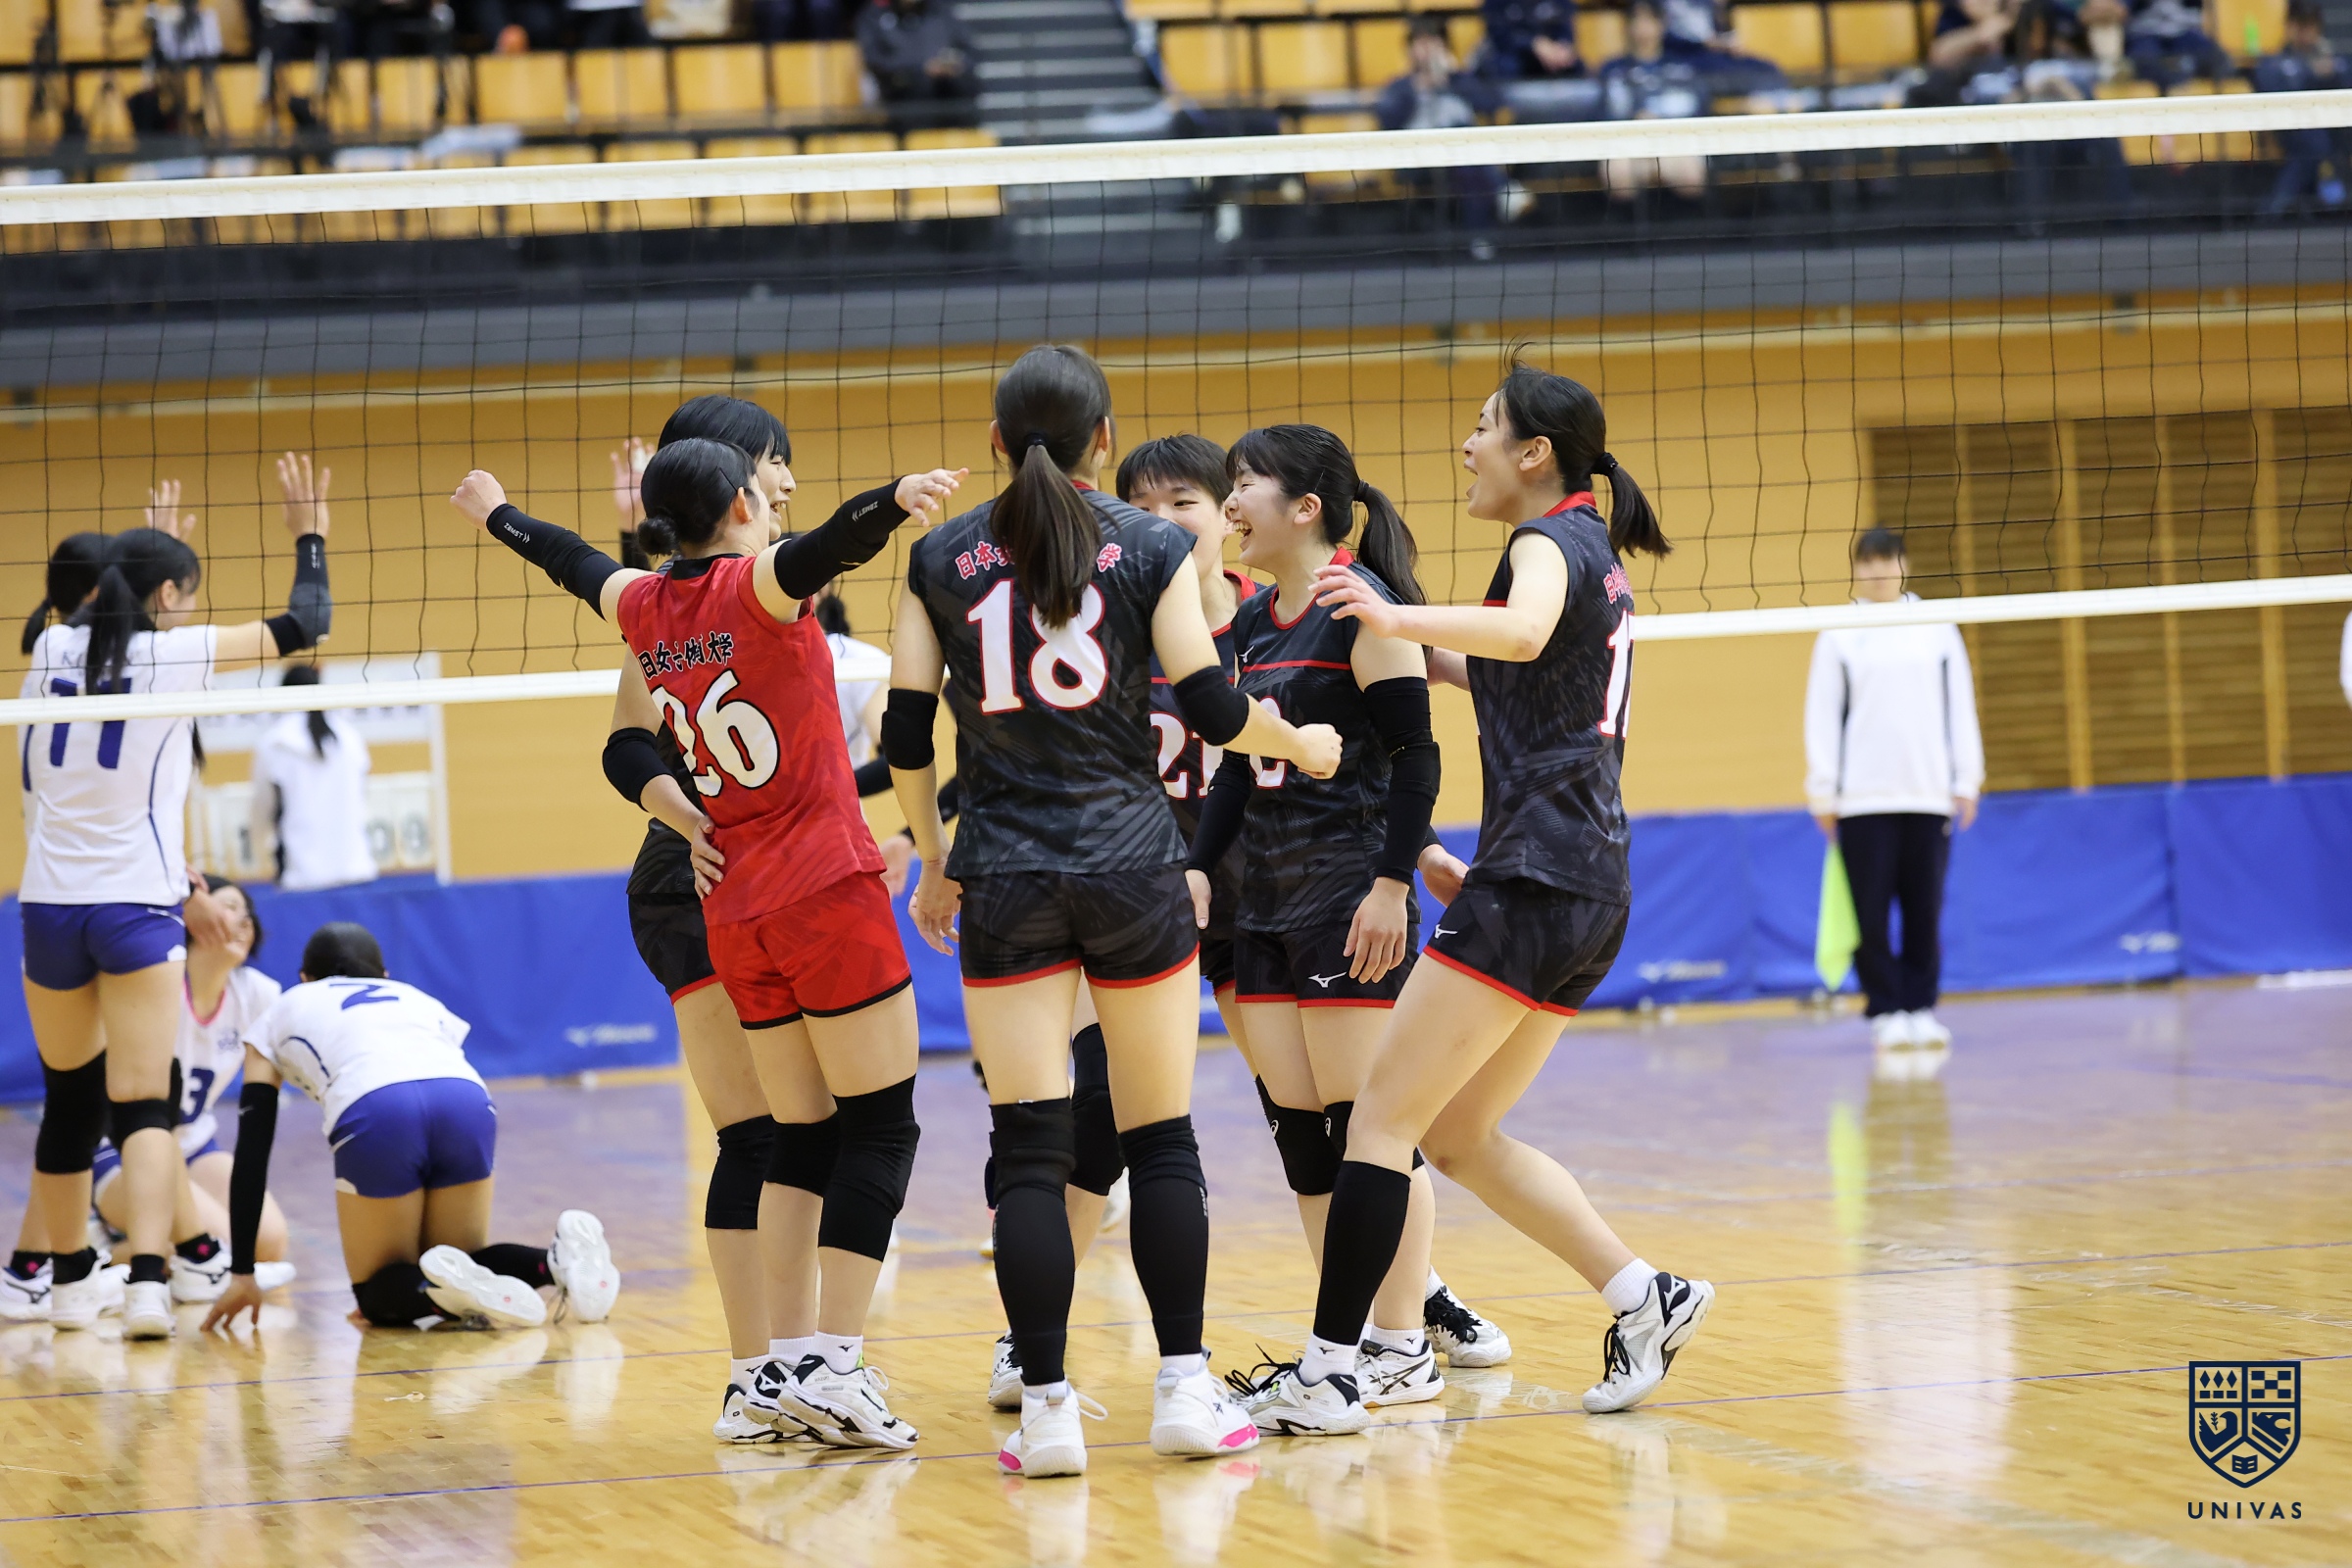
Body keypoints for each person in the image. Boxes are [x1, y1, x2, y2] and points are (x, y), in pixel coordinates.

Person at [453, 431, 963, 1448]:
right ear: (739, 506)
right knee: (880, 1129)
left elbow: (571, 562)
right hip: (824, 886)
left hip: (733, 898)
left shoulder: (644, 605)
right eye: (763, 493)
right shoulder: (757, 587)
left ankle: (780, 1368)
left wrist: (497, 513)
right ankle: (836, 1366)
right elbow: (833, 543)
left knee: (796, 1136)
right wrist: (895, 497)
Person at [886, 344, 1340, 1477]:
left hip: (1005, 871)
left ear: (997, 442)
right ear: (1104, 440)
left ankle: (1046, 1412)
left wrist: (934, 858)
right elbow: (1214, 706)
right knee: (1159, 1136)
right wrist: (1297, 741)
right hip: (1136, 865)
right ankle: (1183, 1390)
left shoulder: (936, 556)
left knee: (1030, 1147)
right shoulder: (1154, 545)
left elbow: (902, 735)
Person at [1242, 363, 1709, 1434]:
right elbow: (1505, 665)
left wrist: (1389, 609)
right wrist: (1413, 645)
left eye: (1486, 426)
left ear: (1534, 453)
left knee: (1378, 1120)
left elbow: (1527, 631)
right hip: (1587, 882)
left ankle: (1341, 1367)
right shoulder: (1590, 551)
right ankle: (1646, 1293)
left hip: (1538, 875)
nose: (1468, 443)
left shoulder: (1548, 542)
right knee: (1455, 1133)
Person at [1118, 435, 1509, 1378]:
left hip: (1344, 895)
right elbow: (1240, 769)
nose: (1230, 502)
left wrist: (1394, 881)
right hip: (1261, 905)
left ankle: (1401, 1338)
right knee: (1305, 1142)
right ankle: (1354, 1340)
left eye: (1241, 484)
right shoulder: (1253, 624)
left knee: (1368, 1131)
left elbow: (1415, 759)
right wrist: (1200, 869)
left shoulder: (1359, 608)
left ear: (1306, 508)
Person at [596, 394, 932, 1444]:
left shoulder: (763, 592)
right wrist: (687, 815)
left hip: (769, 867)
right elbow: (627, 742)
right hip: (702, 871)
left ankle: (787, 1369)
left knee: (808, 1133)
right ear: (735, 480)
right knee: (769, 1133)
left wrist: (894, 821)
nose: (786, 479)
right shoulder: (697, 594)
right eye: (773, 461)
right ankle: (764, 1374)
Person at [19, 452, 332, 1340]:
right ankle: (151, 1286)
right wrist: (309, 534)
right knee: (142, 1105)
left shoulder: (47, 647)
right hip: (132, 905)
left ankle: (66, 1283)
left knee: (69, 1103)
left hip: (48, 906)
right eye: (183, 595)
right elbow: (308, 620)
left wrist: (148, 555)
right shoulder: (175, 650)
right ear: (166, 596)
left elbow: (95, 614)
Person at [203, 922, 619, 1333]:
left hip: (376, 1106)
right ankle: (557, 1262)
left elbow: (253, 1149)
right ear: (384, 975)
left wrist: (243, 1272)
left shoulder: (281, 1009)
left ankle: (448, 1296)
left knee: (377, 1292)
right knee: (458, 1258)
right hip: (466, 1099)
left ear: (305, 978)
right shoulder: (416, 998)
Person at [1803, 528, 1984, 1054]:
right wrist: (1823, 793)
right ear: (1856, 570)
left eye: (1888, 560)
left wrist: (1966, 780)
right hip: (1862, 800)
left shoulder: (1937, 627)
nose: (1879, 571)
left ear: (1905, 565)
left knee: (1925, 910)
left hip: (1928, 794)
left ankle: (1920, 1007)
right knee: (1871, 914)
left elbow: (1960, 705)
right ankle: (1885, 1011)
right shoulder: (1838, 634)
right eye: (1868, 562)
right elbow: (1822, 716)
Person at [89, 877, 298, 1315]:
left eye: (246, 911)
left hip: (195, 1143)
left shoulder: (258, 993)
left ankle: (128, 1245)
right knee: (222, 1245)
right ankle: (94, 1251)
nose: (242, 920)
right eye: (228, 907)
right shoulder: (158, 982)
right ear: (194, 916)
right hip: (122, 1149)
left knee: (268, 1242)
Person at [250, 663, 378, 892]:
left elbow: (263, 807)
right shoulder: (350, 737)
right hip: (356, 868)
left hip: (302, 875)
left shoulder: (274, 742)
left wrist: (261, 844)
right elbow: (363, 795)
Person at [1597, 0, 1709, 202]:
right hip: (1628, 144)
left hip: (1674, 142)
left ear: (1662, 24)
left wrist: (1663, 125)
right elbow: (1605, 114)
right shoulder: (1613, 70)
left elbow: (1698, 109)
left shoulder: (1681, 68)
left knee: (1690, 175)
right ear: (1628, 25)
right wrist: (1634, 123)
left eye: (1649, 20)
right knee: (1618, 175)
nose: (1643, 28)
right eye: (1637, 20)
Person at [2254, 0, 2349, 215]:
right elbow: (2272, 90)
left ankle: (2331, 201)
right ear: (2290, 26)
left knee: (2326, 142)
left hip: (2333, 130)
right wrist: (2311, 73)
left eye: (2311, 25)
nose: (2307, 32)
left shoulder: (2332, 60)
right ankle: (2277, 206)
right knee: (2315, 143)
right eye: (2301, 24)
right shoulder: (2276, 62)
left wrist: (2331, 73)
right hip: (2291, 128)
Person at [858, 0, 978, 128]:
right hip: (903, 95)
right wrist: (921, 68)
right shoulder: (876, 15)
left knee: (964, 85)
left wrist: (954, 65)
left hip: (947, 91)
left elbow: (968, 52)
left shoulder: (941, 12)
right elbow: (875, 60)